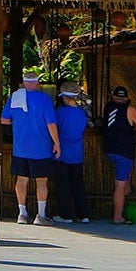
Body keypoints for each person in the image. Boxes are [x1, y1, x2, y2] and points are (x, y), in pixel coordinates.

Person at [1, 71, 60, 225]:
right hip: (41, 148)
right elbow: (51, 123)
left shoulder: (15, 98)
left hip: (20, 147)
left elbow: (4, 120)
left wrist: (19, 122)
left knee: (21, 180)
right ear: (37, 83)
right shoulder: (44, 99)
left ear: (24, 82)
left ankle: (22, 214)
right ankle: (40, 215)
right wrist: (57, 142)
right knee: (41, 182)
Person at [100, 85, 136, 224]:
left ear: (113, 96)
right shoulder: (130, 109)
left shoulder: (108, 107)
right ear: (126, 98)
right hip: (124, 152)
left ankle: (125, 197)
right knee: (120, 186)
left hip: (109, 149)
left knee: (122, 183)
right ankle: (118, 217)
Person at [51, 83, 91, 223]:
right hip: (77, 154)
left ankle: (65, 215)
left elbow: (52, 127)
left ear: (65, 97)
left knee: (63, 185)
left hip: (61, 153)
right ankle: (83, 214)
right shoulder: (81, 113)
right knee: (78, 184)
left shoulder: (60, 112)